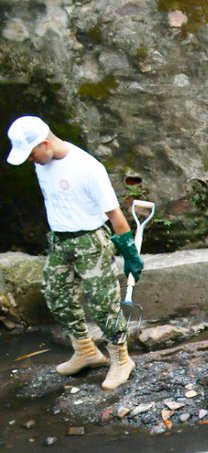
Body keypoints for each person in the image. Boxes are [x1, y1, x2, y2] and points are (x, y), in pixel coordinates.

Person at [5, 115, 144, 390]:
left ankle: (121, 359)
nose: (30, 160)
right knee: (56, 296)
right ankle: (86, 351)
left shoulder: (86, 167)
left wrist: (129, 251)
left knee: (103, 305)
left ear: (45, 143)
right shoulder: (43, 164)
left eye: (31, 154)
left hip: (89, 241)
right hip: (60, 239)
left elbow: (115, 214)